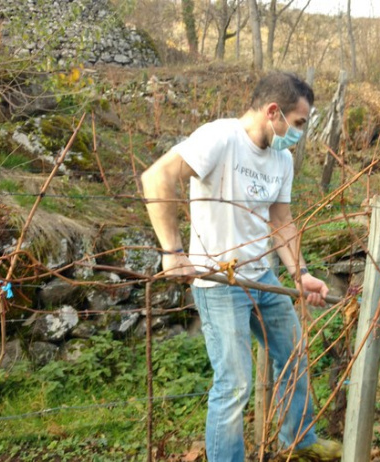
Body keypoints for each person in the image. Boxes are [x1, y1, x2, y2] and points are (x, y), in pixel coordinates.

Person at [141, 72, 342, 462]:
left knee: (295, 355)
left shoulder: (281, 159)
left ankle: (299, 440)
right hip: (218, 283)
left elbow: (280, 220)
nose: (300, 133)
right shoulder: (220, 138)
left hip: (261, 277)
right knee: (234, 386)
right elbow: (157, 177)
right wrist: (172, 251)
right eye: (298, 123)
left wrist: (301, 273)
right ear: (273, 112)